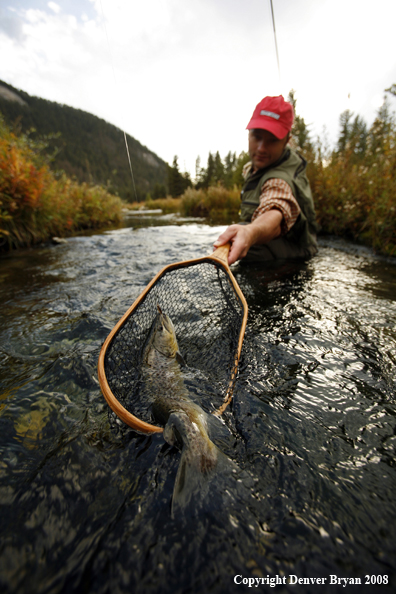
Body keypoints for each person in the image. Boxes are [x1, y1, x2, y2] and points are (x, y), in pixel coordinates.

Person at [213, 95, 318, 265]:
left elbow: (276, 208)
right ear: (248, 134)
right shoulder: (253, 167)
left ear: (287, 141)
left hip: (297, 255)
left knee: (248, 249)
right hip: (276, 246)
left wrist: (250, 232)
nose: (261, 148)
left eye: (272, 140)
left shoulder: (279, 179)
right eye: (257, 136)